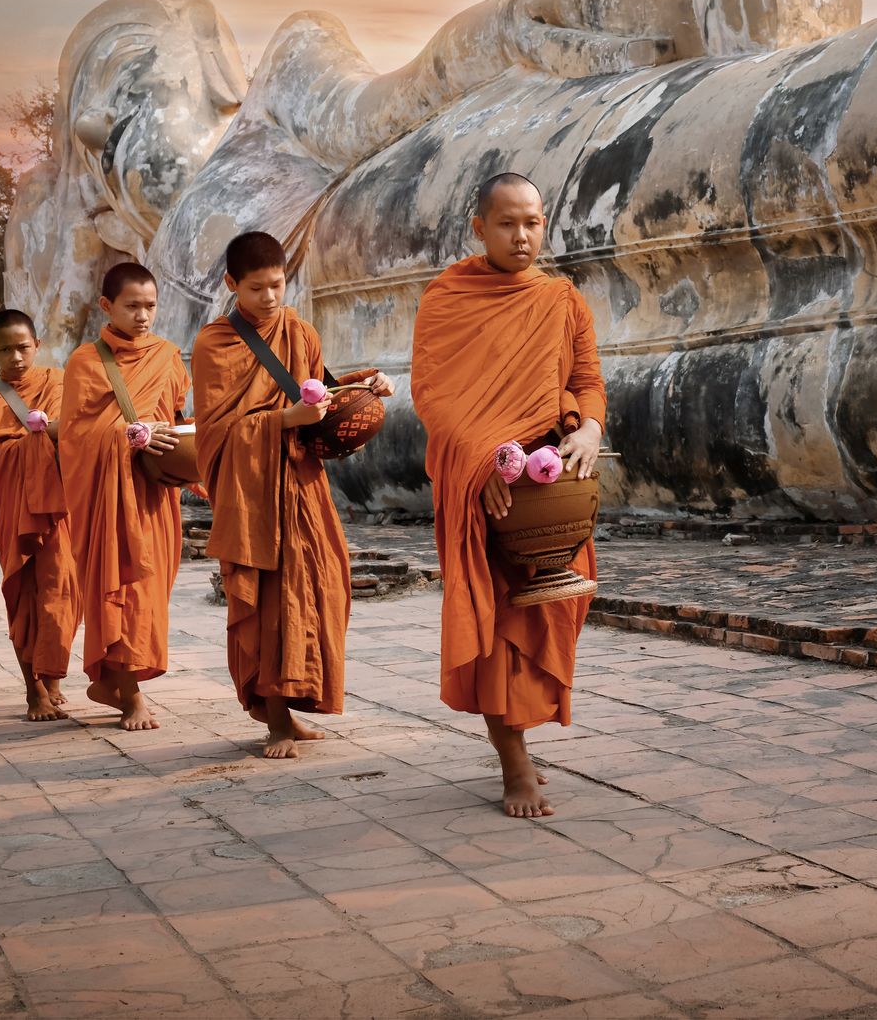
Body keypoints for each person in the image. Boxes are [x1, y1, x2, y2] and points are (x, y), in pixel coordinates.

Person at [412, 172, 606, 818]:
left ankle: (522, 745)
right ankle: (513, 764)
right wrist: (479, 463)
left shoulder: (562, 301)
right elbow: (434, 398)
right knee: (495, 631)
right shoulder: (447, 300)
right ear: (479, 229)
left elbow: (588, 381)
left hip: (548, 487)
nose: (522, 237)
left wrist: (592, 432)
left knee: (550, 612)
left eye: (533, 223)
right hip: (484, 494)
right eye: (507, 224)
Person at [192, 231, 394, 758]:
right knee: (266, 604)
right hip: (251, 495)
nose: (270, 298)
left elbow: (317, 391)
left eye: (278, 285)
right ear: (232, 284)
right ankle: (276, 721)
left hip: (302, 487)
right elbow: (216, 430)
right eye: (257, 288)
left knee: (321, 587)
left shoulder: (299, 331)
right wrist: (285, 419)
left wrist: (367, 386)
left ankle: (296, 705)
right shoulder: (215, 344)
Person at [60, 262, 188, 731]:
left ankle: (111, 679)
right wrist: (127, 435)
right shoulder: (85, 363)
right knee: (122, 587)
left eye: (150, 306)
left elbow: (175, 415)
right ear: (106, 306)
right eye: (132, 306)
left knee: (150, 590)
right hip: (108, 500)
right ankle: (130, 695)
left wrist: (170, 437)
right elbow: (74, 437)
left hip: (152, 495)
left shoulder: (168, 356)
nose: (142, 316)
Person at [0, 309, 82, 720]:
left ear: (38, 345)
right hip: (15, 511)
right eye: (5, 349)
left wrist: (55, 433)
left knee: (63, 591)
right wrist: (40, 440)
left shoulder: (60, 383)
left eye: (23, 347)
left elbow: (80, 431)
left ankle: (52, 675)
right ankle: (34, 692)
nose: (16, 357)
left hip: (61, 508)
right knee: (25, 594)